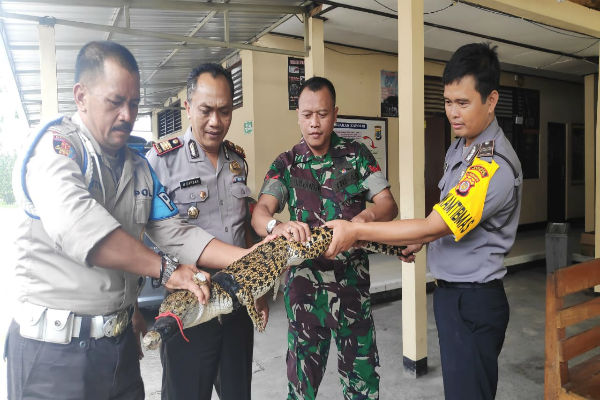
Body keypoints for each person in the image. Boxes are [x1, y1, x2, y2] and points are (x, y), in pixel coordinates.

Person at [5, 41, 258, 400]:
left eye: (134, 103)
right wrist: (168, 270)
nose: (127, 114)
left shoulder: (138, 168)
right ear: (81, 96)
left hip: (118, 349)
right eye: (115, 102)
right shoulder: (57, 150)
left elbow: (175, 231)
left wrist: (257, 258)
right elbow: (82, 229)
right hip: (53, 356)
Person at [324, 43, 523, 400]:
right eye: (448, 102)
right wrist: (418, 240)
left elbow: (435, 225)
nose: (453, 113)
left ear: (491, 101)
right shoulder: (461, 147)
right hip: (453, 296)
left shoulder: (491, 166)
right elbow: (447, 220)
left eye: (463, 103)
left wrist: (355, 229)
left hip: (474, 301)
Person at [251, 76, 398, 400]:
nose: (314, 123)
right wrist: (276, 226)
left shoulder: (357, 155)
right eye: (307, 114)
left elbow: (388, 204)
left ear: (335, 113)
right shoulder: (287, 164)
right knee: (302, 388)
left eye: (322, 114)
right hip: (304, 292)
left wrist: (363, 219)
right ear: (298, 115)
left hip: (351, 291)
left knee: (362, 386)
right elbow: (260, 211)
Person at [146, 63, 267, 400]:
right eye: (206, 110)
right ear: (188, 106)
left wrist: (256, 289)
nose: (216, 121)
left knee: (237, 392)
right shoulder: (161, 160)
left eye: (225, 111)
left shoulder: (237, 161)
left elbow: (243, 226)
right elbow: (151, 231)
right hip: (188, 306)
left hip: (237, 303)